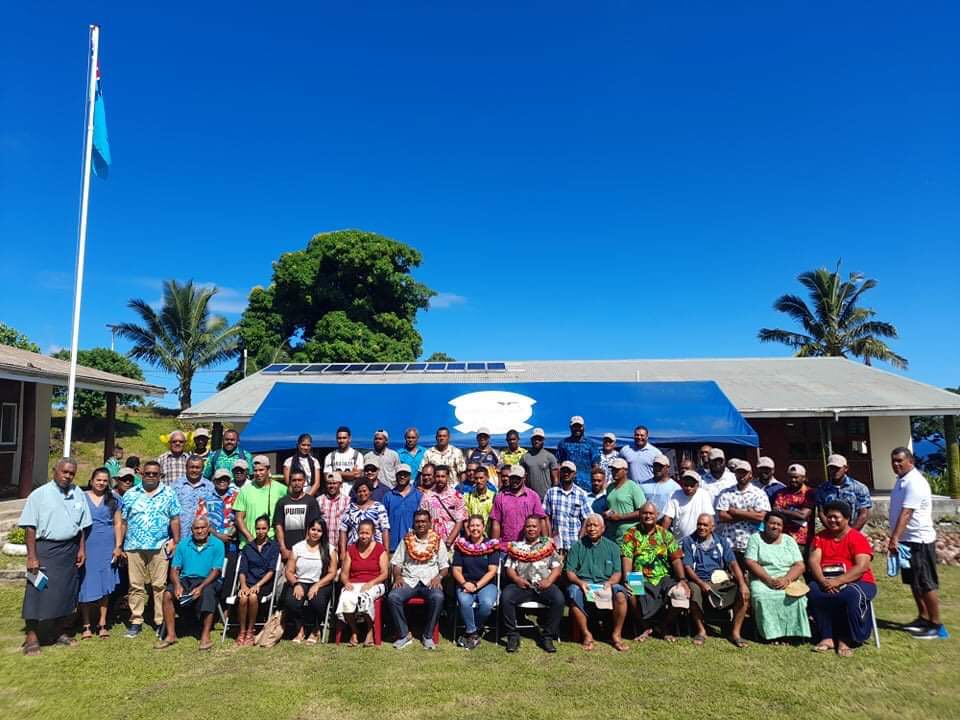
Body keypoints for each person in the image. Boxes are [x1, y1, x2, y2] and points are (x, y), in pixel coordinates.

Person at [18, 458, 92, 655]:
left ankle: (59, 632)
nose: (67, 476)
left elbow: (83, 527)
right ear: (55, 471)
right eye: (64, 472)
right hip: (45, 550)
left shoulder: (78, 494)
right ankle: (32, 636)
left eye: (71, 473)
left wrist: (81, 549)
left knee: (66, 593)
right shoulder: (39, 495)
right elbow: (30, 528)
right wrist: (32, 556)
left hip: (69, 550)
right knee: (37, 590)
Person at [888, 447, 946, 640]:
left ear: (910, 461)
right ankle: (923, 617)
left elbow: (907, 513)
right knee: (914, 581)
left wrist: (894, 538)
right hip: (907, 540)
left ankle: (936, 625)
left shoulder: (915, 482)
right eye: (893, 461)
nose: (896, 464)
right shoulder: (901, 481)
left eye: (900, 461)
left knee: (926, 582)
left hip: (918, 540)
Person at [119, 460, 181, 638]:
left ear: (160, 475)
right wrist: (120, 545)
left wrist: (176, 541)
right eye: (148, 473)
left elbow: (175, 519)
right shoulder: (130, 494)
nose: (151, 476)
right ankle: (136, 620)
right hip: (134, 546)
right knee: (135, 585)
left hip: (159, 545)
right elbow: (123, 521)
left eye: (155, 474)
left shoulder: (169, 493)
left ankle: (160, 620)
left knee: (159, 585)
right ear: (141, 474)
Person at [808, 501, 878, 655]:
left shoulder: (857, 537)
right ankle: (826, 636)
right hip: (827, 580)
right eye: (829, 517)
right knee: (814, 590)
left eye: (836, 517)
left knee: (849, 594)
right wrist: (823, 581)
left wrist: (838, 582)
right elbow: (813, 561)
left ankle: (847, 639)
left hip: (857, 581)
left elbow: (862, 566)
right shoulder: (820, 537)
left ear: (847, 518)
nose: (832, 520)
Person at [621, 502, 689, 642]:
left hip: (663, 576)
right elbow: (627, 558)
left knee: (680, 594)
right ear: (639, 515)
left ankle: (664, 625)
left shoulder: (665, 534)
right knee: (631, 593)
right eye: (645, 513)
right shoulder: (631, 534)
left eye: (651, 513)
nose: (648, 516)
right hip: (638, 575)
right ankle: (644, 626)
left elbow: (676, 558)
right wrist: (627, 578)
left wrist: (682, 580)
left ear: (657, 515)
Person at [155, 516, 225, 650]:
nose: (199, 531)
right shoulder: (183, 544)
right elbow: (174, 569)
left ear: (208, 529)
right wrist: (177, 585)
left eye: (203, 527)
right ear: (191, 530)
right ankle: (171, 635)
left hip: (208, 579)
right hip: (186, 579)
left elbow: (216, 570)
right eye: (196, 528)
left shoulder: (217, 544)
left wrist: (201, 587)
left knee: (208, 592)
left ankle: (205, 636)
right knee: (167, 595)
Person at [681, 513, 750, 648]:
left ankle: (735, 633)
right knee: (694, 591)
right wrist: (701, 583)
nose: (701, 527)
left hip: (720, 580)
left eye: (705, 525)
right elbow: (687, 567)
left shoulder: (721, 542)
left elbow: (733, 564)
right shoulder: (689, 541)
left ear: (712, 527)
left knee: (743, 594)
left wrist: (742, 584)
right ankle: (701, 630)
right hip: (698, 579)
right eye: (699, 524)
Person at [743, 511, 811, 643]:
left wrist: (787, 579)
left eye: (779, 524)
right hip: (762, 579)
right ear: (765, 524)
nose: (775, 527)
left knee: (797, 599)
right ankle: (770, 634)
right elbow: (750, 562)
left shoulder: (789, 540)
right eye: (772, 523)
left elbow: (800, 565)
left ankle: (792, 634)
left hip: (787, 579)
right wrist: (768, 580)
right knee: (762, 597)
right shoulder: (756, 538)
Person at [565, 514, 629, 652]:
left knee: (620, 594)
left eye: (595, 525)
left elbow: (617, 573)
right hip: (584, 584)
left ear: (603, 528)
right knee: (573, 592)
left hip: (606, 584)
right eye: (589, 525)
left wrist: (610, 583)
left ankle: (616, 635)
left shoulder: (613, 547)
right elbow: (570, 572)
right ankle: (587, 634)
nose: (592, 528)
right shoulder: (577, 546)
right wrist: (580, 582)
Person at [501, 516, 565, 653]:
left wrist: (548, 581)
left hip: (544, 585)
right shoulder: (516, 547)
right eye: (528, 526)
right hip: (522, 585)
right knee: (506, 597)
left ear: (540, 528)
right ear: (524, 528)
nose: (531, 529)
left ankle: (547, 636)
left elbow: (557, 568)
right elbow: (509, 569)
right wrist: (517, 579)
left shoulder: (548, 545)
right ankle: (512, 636)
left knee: (559, 599)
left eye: (534, 526)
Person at [388, 510, 449, 650]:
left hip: (429, 581)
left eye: (423, 521)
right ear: (414, 523)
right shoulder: (406, 540)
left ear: (429, 523)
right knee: (393, 597)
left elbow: (445, 566)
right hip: (409, 580)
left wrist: (439, 577)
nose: (420, 524)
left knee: (438, 597)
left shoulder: (438, 540)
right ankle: (404, 635)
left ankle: (427, 636)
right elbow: (396, 563)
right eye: (417, 522)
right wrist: (397, 576)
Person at [78, 467, 121, 639]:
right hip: (86, 543)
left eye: (105, 480)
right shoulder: (81, 497)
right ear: (91, 480)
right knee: (85, 583)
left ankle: (102, 622)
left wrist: (118, 546)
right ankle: (86, 623)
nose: (102, 483)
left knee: (105, 583)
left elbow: (118, 523)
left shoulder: (114, 499)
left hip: (106, 544)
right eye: (98, 480)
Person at [284, 517, 337, 645]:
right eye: (313, 529)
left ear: (323, 533)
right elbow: (289, 571)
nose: (315, 533)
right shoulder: (298, 547)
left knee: (316, 602)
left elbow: (332, 573)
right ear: (308, 530)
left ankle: (315, 629)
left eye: (319, 530)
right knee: (291, 601)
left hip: (321, 582)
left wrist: (317, 585)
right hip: (300, 581)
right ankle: (300, 629)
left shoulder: (329, 549)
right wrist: (296, 584)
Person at [336, 519, 389, 646]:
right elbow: (344, 573)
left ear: (372, 533)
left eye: (367, 533)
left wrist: (371, 583)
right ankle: (354, 631)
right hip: (354, 583)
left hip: (375, 583)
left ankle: (370, 632)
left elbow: (385, 573)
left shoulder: (380, 548)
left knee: (364, 598)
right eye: (361, 533)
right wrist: (346, 582)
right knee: (345, 598)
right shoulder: (351, 549)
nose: (364, 536)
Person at [452, 515, 501, 649]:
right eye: (472, 525)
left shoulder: (491, 545)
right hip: (465, 583)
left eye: (478, 525)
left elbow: (492, 571)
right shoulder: (461, 545)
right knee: (464, 601)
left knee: (487, 603)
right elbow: (456, 570)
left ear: (483, 527)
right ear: (468, 528)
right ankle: (473, 634)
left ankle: (471, 631)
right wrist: (464, 583)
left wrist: (476, 585)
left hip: (486, 584)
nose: (475, 528)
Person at [235, 515, 280, 645]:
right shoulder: (248, 548)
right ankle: (242, 631)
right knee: (243, 598)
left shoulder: (273, 547)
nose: (261, 531)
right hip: (248, 581)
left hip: (264, 583)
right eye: (258, 529)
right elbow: (242, 570)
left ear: (268, 529)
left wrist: (258, 585)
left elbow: (271, 571)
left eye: (263, 528)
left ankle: (250, 630)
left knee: (253, 597)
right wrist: (243, 585)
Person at [715, 460, 771, 564]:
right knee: (732, 576)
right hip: (730, 542)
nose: (742, 476)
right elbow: (722, 516)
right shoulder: (726, 492)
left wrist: (736, 512)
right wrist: (750, 514)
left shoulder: (759, 493)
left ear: (750, 475)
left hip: (751, 542)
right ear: (735, 474)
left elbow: (762, 517)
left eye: (744, 473)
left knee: (750, 575)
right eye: (739, 472)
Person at [233, 455, 286, 548]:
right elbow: (239, 518)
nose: (258, 473)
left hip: (271, 544)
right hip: (248, 544)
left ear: (268, 469)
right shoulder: (245, 490)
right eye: (255, 470)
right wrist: (250, 538)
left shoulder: (281, 489)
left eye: (261, 470)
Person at [272, 467, 321, 560]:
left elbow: (313, 527)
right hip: (286, 550)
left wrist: (305, 548)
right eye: (294, 480)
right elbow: (278, 526)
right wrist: (283, 548)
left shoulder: (311, 501)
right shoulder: (282, 502)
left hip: (306, 551)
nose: (297, 483)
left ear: (304, 482)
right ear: (290, 482)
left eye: (300, 480)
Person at [490, 465, 547, 543]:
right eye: (512, 478)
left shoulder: (533, 496)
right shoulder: (500, 497)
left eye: (518, 478)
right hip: (506, 546)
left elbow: (541, 520)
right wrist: (494, 544)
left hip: (529, 546)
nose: (514, 481)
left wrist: (545, 542)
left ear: (524, 478)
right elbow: (496, 522)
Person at [543, 464, 592, 553]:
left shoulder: (581, 494)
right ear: (560, 473)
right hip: (556, 544)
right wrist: (549, 538)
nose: (566, 474)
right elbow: (546, 516)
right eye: (564, 471)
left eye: (569, 471)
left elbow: (587, 518)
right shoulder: (551, 492)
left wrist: (580, 539)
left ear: (574, 474)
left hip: (574, 543)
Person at [816, 454, 872, 531]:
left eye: (837, 468)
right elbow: (821, 512)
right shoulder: (822, 489)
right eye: (831, 468)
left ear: (846, 468)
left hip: (854, 531)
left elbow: (863, 514)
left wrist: (849, 534)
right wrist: (832, 530)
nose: (834, 471)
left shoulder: (859, 488)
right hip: (831, 531)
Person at [418, 464, 466, 551]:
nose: (440, 479)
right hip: (432, 542)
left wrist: (449, 542)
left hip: (452, 543)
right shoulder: (427, 496)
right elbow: (423, 519)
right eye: (437, 476)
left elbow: (460, 521)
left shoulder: (456, 496)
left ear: (447, 477)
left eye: (443, 476)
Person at [339, 479, 391, 557]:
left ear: (370, 492)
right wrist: (343, 553)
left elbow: (385, 529)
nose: (362, 493)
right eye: (359, 491)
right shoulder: (349, 508)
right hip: (354, 550)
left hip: (375, 550)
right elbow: (343, 530)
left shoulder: (379, 507)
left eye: (364, 491)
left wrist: (386, 550)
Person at [771, 463, 815, 550]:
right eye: (791, 477)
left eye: (796, 477)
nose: (793, 480)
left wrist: (782, 511)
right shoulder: (781, 493)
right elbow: (775, 512)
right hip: (783, 538)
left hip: (802, 540)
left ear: (804, 478)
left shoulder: (810, 493)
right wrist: (795, 513)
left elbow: (803, 515)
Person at [602, 458, 646, 544]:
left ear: (625, 471)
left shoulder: (633, 487)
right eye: (613, 470)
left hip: (630, 535)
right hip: (612, 536)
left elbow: (642, 511)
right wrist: (606, 514)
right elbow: (610, 506)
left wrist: (620, 517)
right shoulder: (609, 487)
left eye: (617, 470)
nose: (614, 472)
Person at [663, 470, 715, 540]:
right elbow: (667, 518)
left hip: (700, 541)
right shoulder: (674, 494)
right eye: (686, 485)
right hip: (680, 541)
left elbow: (710, 518)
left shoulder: (704, 494)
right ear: (682, 484)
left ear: (697, 485)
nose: (688, 488)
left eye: (692, 485)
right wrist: (662, 538)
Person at [172, 455, 216, 537]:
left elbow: (213, 512)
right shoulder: (175, 486)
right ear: (186, 468)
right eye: (191, 467)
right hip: (180, 536)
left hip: (202, 536)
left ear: (202, 469)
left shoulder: (210, 487)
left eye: (197, 467)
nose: (194, 470)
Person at [383, 464, 422, 552]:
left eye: (405, 474)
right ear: (396, 476)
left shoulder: (418, 495)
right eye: (400, 474)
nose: (402, 476)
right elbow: (383, 523)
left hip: (413, 545)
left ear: (410, 476)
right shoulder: (388, 496)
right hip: (392, 546)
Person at [555, 415, 599, 492]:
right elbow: (558, 465)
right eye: (575, 426)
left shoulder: (591, 444)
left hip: (587, 488)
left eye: (579, 426)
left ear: (583, 427)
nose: (577, 429)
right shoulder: (563, 444)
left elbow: (596, 467)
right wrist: (558, 483)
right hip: (567, 487)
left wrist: (595, 485)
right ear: (570, 427)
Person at [520, 427, 559, 499]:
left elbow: (555, 479)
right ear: (531, 440)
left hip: (546, 498)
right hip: (530, 497)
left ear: (543, 440)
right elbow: (521, 478)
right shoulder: (524, 457)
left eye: (539, 439)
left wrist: (552, 496)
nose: (537, 441)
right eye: (535, 439)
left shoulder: (550, 456)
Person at [323, 426, 364, 492]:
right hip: (336, 494)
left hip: (352, 494)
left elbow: (358, 475)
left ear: (349, 439)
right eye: (339, 438)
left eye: (344, 438)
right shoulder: (330, 456)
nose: (341, 440)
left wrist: (336, 473)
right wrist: (351, 474)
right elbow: (327, 477)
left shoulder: (358, 455)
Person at [207, 468, 240, 552]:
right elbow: (202, 519)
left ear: (229, 481)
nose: (222, 481)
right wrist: (218, 535)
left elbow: (241, 518)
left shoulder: (237, 497)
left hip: (232, 544)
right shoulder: (206, 497)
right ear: (214, 481)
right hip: (211, 543)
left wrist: (231, 532)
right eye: (219, 479)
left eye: (225, 479)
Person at [639, 454, 680, 520]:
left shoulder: (675, 488)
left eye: (661, 466)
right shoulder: (643, 485)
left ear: (668, 467)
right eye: (655, 466)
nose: (657, 469)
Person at [318, 471, 350, 549]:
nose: (331, 486)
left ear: (340, 484)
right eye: (329, 483)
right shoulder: (319, 500)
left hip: (342, 546)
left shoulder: (348, 501)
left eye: (334, 483)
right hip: (324, 545)